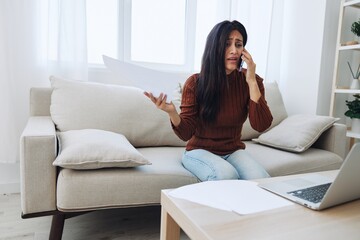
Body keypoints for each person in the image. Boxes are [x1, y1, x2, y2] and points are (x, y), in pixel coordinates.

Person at [144, 20, 273, 181]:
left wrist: (252, 81)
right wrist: (172, 112)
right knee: (226, 175)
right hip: (199, 151)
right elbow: (186, 134)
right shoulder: (195, 83)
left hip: (233, 151)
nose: (233, 50)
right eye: (227, 44)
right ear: (215, 48)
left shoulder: (251, 80)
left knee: (261, 179)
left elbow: (261, 125)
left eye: (238, 45)